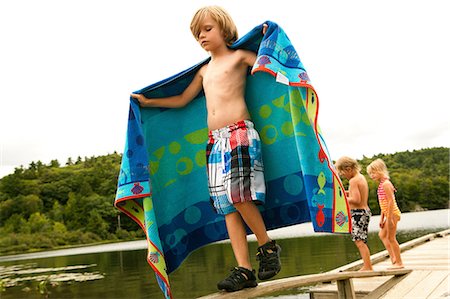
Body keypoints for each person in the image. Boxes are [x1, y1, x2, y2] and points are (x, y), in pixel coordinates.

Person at [130, 6, 281, 292]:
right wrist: (148, 103)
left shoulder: (238, 57)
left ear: (224, 29)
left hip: (239, 134)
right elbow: (183, 99)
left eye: (207, 29)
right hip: (215, 142)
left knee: (238, 196)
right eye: (197, 33)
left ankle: (268, 247)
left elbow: (267, 64)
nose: (201, 36)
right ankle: (245, 269)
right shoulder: (203, 71)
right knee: (227, 207)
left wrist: (267, 38)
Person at [335, 157, 373, 271]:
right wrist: (343, 193)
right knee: (361, 240)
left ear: (349, 169)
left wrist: (341, 200)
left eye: (342, 173)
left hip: (358, 213)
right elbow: (354, 195)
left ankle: (367, 267)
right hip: (364, 212)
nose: (343, 176)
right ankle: (367, 266)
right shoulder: (360, 177)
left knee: (359, 241)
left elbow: (356, 200)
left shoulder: (354, 181)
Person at [367, 158, 404, 269]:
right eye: (370, 174)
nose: (371, 176)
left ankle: (399, 263)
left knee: (391, 238)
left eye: (373, 173)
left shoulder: (386, 184)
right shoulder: (381, 184)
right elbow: (383, 204)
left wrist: (389, 218)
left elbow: (391, 201)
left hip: (392, 214)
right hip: (388, 214)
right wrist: (382, 218)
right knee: (382, 235)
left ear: (380, 170)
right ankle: (393, 258)